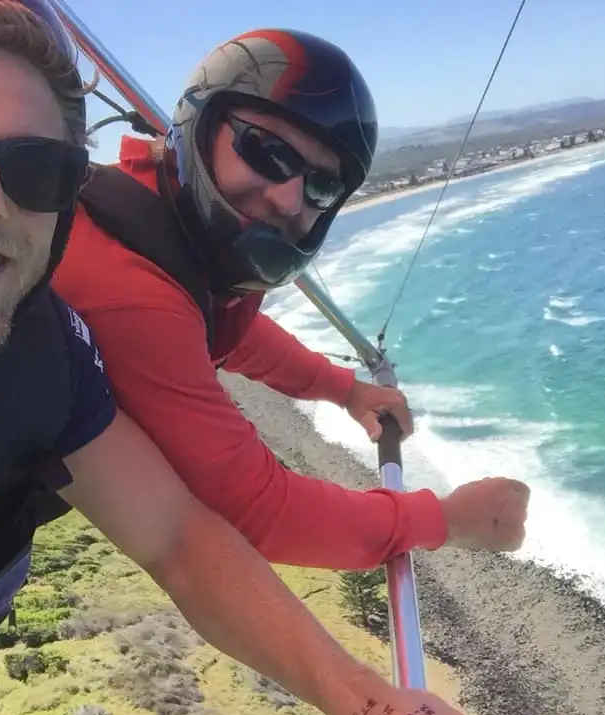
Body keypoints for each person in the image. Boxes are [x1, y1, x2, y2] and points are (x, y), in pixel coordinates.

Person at [0, 1, 466, 715]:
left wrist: (368, 701)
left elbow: (178, 536)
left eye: (36, 169)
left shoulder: (41, 349)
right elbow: (254, 505)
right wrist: (445, 517)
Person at [52, 29, 531, 569]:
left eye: (322, 185)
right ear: (200, 127)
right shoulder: (129, 291)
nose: (287, 197)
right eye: (266, 151)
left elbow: (224, 330)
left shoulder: (160, 226)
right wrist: (446, 519)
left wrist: (344, 390)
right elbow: (259, 509)